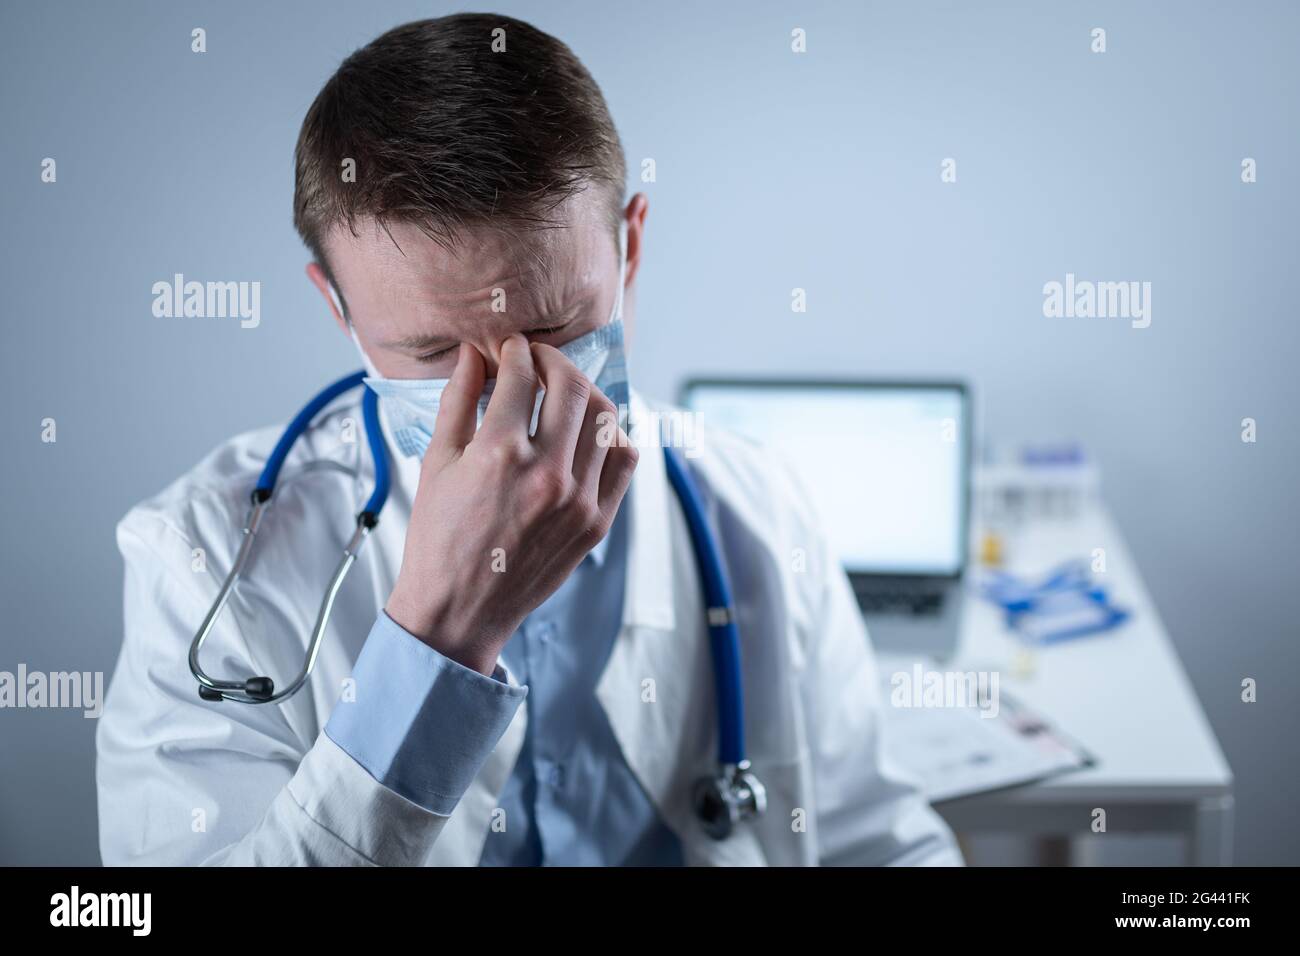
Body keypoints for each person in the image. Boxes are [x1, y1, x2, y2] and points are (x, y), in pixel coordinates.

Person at [96, 13, 961, 866]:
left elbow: (877, 840)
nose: (506, 403)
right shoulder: (204, 557)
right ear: (338, 306)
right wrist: (440, 640)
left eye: (554, 330)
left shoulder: (759, 506)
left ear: (630, 247)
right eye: (433, 354)